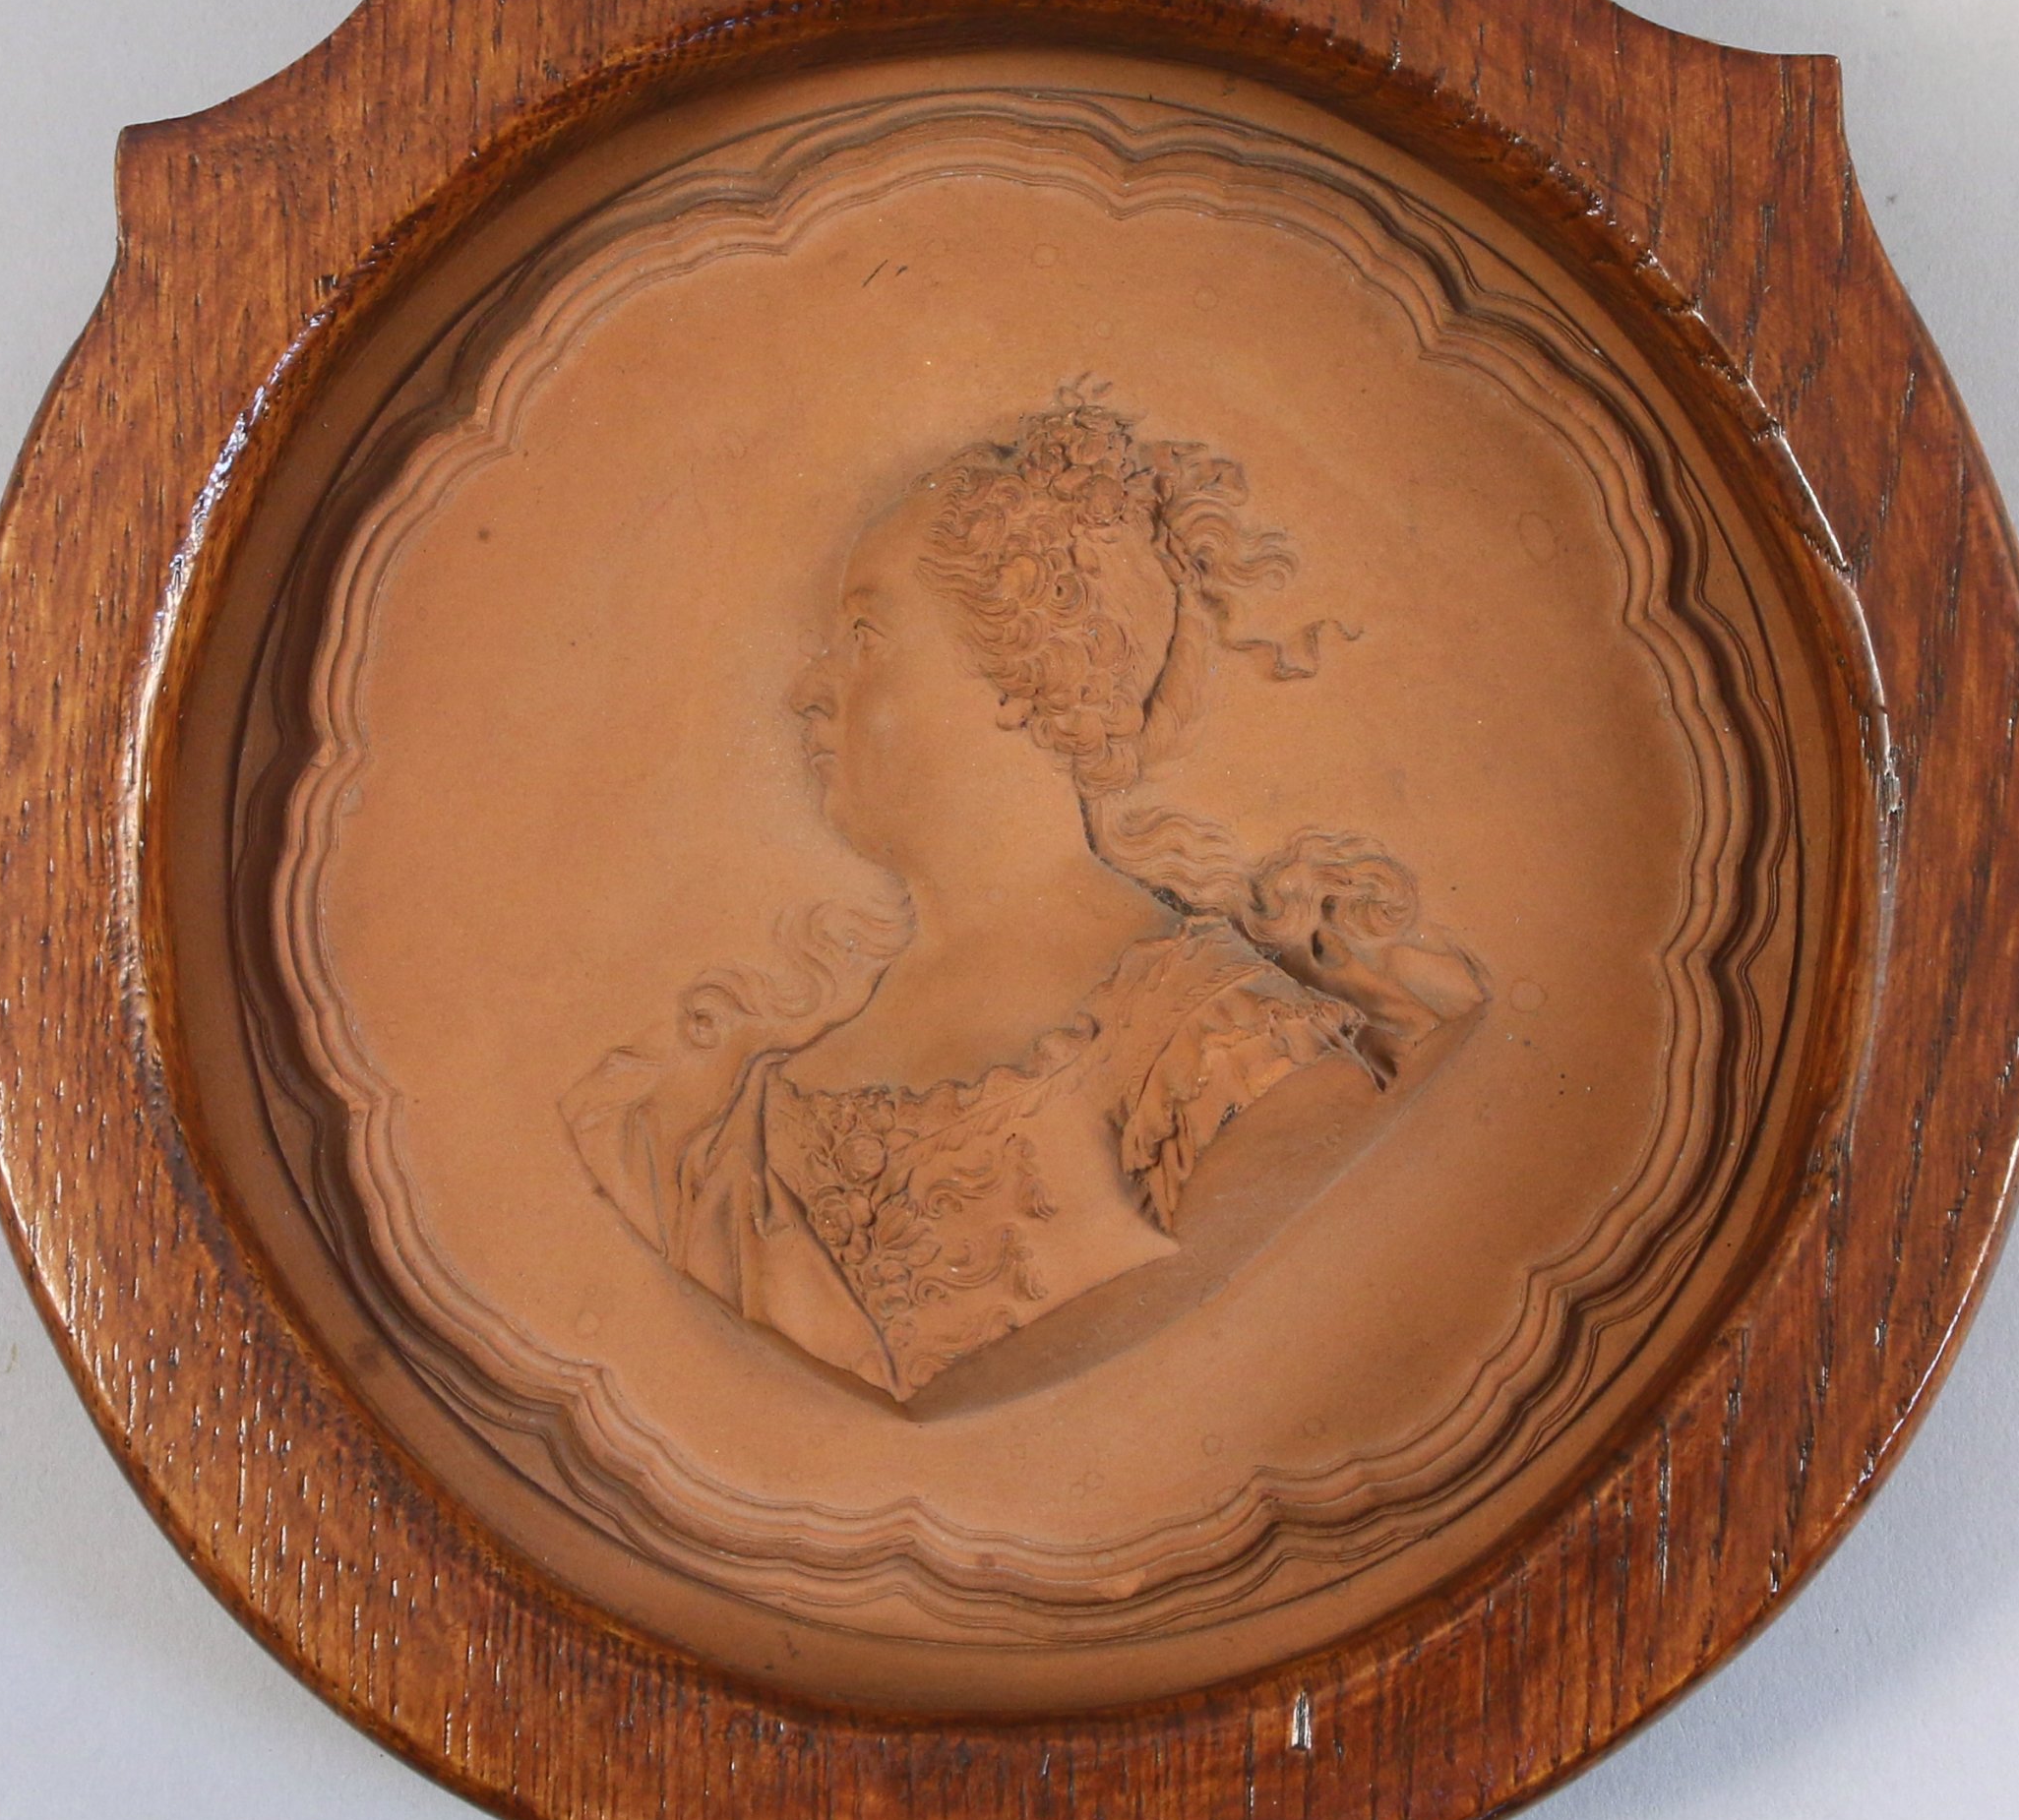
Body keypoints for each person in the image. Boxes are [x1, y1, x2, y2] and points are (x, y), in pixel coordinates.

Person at [565, 394, 1485, 1406]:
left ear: (1023, 666)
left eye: (864, 634)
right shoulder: (748, 1126)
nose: (809, 690)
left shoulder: (1224, 1048)